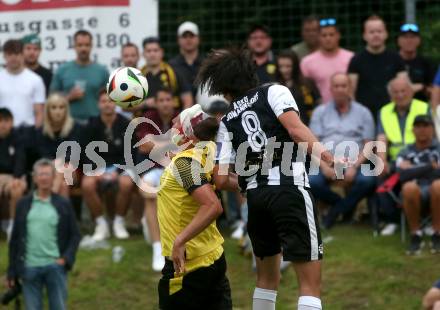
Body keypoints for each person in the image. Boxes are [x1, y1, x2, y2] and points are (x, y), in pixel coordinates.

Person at [198, 48, 340, 310]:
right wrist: (330, 159)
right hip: (289, 188)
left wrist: (246, 180)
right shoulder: (273, 91)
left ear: (224, 88)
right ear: (251, 73)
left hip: (256, 199)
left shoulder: (228, 119)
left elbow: (220, 179)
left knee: (265, 281)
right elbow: (296, 130)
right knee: (309, 285)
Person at [157, 104, 232, 309]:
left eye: (176, 124)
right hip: (214, 256)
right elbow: (227, 181)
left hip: (188, 265)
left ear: (187, 135)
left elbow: (213, 206)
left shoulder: (185, 163)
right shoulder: (207, 150)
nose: (171, 127)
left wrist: (180, 241)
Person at [7, 158, 81, 310]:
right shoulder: (23, 204)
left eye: (47, 174)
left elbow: (75, 235)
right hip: (29, 267)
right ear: (34, 178)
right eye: (40, 174)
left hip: (55, 267)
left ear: (54, 177)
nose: (44, 178)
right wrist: (12, 272)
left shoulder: (63, 204)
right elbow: (15, 240)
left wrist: (66, 259)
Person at [309, 73, 376, 228]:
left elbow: (369, 145)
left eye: (343, 86)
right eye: (336, 86)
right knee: (311, 181)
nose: (340, 89)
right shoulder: (320, 112)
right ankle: (344, 206)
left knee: (368, 180)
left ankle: (334, 212)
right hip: (326, 161)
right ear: (331, 89)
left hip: (355, 161)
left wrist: (354, 167)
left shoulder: (363, 112)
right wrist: (325, 167)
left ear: (350, 88)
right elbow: (313, 144)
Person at [376, 76, 430, 236]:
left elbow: (429, 136)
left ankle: (425, 218)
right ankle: (392, 220)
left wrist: (415, 161)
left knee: (428, 178)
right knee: (379, 175)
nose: (400, 95)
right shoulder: (384, 111)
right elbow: (381, 137)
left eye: (403, 91)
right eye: (396, 92)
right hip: (395, 161)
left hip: (420, 158)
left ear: (411, 92)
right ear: (390, 95)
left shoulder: (423, 107)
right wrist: (382, 160)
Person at [81, 89, 134, 240]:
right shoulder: (91, 124)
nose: (107, 105)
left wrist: (115, 173)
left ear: (116, 104)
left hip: (121, 166)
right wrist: (98, 171)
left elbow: (130, 154)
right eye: (104, 101)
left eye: (110, 101)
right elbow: (84, 152)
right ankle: (101, 224)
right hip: (98, 167)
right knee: (87, 184)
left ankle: (119, 222)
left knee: (126, 183)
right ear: (99, 104)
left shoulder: (126, 124)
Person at [136, 88, 178, 271]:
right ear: (157, 102)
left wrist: (157, 143)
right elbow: (144, 146)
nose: (165, 103)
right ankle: (157, 248)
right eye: (161, 100)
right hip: (154, 169)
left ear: (173, 102)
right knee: (146, 189)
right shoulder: (149, 116)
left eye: (168, 99)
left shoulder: (181, 117)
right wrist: (170, 144)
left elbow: (187, 145)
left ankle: (175, 240)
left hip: (177, 170)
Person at [396, 115, 440, 255]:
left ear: (432, 129)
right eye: (418, 126)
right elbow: (402, 176)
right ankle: (416, 234)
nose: (422, 130)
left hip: (436, 190)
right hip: (413, 193)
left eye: (426, 126)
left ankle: (437, 233)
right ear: (413, 130)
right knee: (409, 187)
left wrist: (413, 169)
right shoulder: (405, 151)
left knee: (438, 185)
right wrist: (430, 167)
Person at [348, 15, 406, 119]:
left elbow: (403, 88)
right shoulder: (356, 60)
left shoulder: (396, 59)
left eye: (379, 31)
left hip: (391, 114)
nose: (376, 35)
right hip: (364, 116)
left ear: (386, 34)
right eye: (371, 32)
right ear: (364, 35)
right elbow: (351, 92)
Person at [50, 30, 109, 122]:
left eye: (87, 45)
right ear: (74, 46)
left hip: (95, 124)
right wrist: (69, 97)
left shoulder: (102, 71)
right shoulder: (62, 71)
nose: (83, 49)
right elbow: (51, 100)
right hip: (68, 124)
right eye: (80, 45)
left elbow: (110, 100)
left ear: (91, 46)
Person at [33, 93, 83, 198]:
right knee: (63, 185)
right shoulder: (40, 131)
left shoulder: (75, 127)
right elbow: (43, 154)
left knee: (63, 167)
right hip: (49, 170)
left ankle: (48, 201)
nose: (58, 111)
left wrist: (58, 163)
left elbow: (73, 153)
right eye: (54, 108)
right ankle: (62, 213)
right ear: (48, 111)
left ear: (66, 110)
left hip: (72, 170)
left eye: (61, 107)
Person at [300, 18, 353, 103]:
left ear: (338, 35)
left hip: (347, 111)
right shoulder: (307, 62)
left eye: (331, 35)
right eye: (324, 35)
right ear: (318, 37)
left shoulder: (351, 58)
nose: (328, 38)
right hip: (319, 112)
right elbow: (304, 90)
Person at [0, 39, 45, 128]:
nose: (13, 58)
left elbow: (39, 112)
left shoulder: (36, 80)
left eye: (16, 54)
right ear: (4, 56)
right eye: (9, 54)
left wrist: (36, 134)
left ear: (23, 55)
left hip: (27, 131)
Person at [140, 37, 193, 111]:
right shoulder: (138, 75)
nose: (152, 54)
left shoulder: (174, 72)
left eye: (155, 50)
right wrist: (145, 104)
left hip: (172, 121)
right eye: (148, 51)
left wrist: (181, 120)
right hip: (143, 120)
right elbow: (126, 107)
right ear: (143, 54)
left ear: (162, 52)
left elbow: (188, 100)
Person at [0, 108, 27, 240]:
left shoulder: (18, 138)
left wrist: (16, 177)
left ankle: (13, 226)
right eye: (0, 121)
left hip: (15, 176)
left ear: (11, 122)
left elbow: (20, 160)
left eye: (6, 121)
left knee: (17, 189)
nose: (2, 124)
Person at [275, 49, 320, 125]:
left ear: (295, 66)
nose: (284, 70)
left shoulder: (307, 83)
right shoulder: (274, 86)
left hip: (308, 126)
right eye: (281, 66)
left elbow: (318, 106)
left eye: (288, 66)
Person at [397, 24, 436, 102]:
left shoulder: (427, 63)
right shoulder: (392, 61)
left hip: (421, 108)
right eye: (405, 37)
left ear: (419, 40)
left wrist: (422, 87)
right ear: (398, 40)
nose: (409, 40)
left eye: (413, 37)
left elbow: (435, 90)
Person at [170, 21, 204, 98]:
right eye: (184, 36)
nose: (188, 39)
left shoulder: (208, 64)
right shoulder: (171, 66)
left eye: (192, 36)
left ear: (199, 38)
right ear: (178, 40)